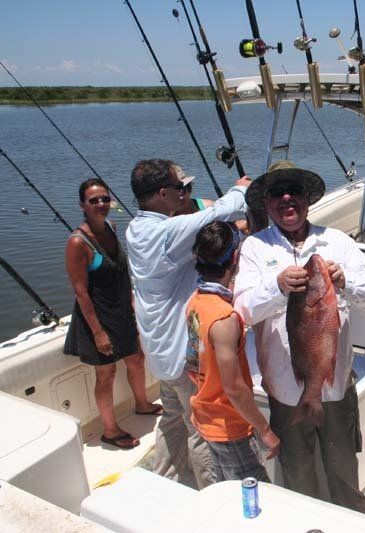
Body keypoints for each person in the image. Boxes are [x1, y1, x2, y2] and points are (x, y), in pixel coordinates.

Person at [233, 161, 365, 513]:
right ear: (267, 204)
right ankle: (307, 520)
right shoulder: (255, 248)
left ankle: (351, 519)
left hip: (335, 387)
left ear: (306, 199)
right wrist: (276, 287)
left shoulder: (337, 242)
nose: (287, 199)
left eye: (294, 191)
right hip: (285, 392)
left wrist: (345, 279)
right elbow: (241, 309)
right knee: (298, 472)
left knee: (344, 470)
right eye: (276, 193)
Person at [126, 159, 250, 489]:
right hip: (182, 355)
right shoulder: (167, 232)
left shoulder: (135, 229)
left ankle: (162, 481)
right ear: (163, 194)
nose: (185, 194)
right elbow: (218, 213)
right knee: (200, 428)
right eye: (180, 189)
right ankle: (211, 494)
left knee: (171, 420)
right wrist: (242, 188)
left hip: (158, 351)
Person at [63, 178, 162, 450]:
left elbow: (120, 274)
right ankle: (109, 430)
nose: (101, 204)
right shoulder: (77, 243)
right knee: (105, 375)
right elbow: (81, 293)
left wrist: (132, 302)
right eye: (93, 200)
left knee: (136, 359)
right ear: (82, 204)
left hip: (121, 312)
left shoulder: (111, 228)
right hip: (97, 318)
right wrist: (98, 332)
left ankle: (142, 404)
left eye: (105, 199)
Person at [186, 221, 280, 482]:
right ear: (235, 257)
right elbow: (234, 388)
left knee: (227, 488)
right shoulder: (225, 318)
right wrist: (265, 430)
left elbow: (193, 364)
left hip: (205, 418)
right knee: (255, 494)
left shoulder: (195, 302)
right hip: (230, 427)